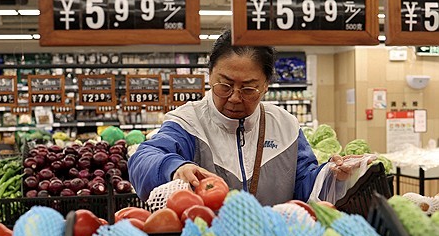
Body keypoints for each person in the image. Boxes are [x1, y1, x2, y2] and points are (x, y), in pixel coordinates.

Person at [128, 29, 362, 206]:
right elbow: (143, 159)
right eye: (225, 85)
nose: (234, 98)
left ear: (266, 86)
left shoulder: (285, 125)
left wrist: (330, 175)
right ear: (209, 75)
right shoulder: (189, 122)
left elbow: (304, 184)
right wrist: (175, 166)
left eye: (248, 89)